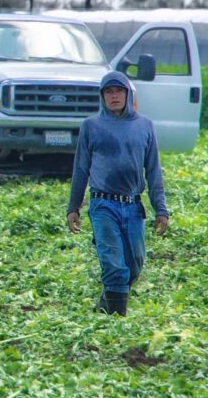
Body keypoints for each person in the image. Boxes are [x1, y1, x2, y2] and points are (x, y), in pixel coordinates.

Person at [66, 71, 169, 316]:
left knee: (134, 265)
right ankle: (115, 323)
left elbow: (153, 170)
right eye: (109, 92)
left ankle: (106, 303)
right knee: (113, 263)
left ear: (128, 94)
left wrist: (161, 209)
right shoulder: (91, 126)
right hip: (103, 204)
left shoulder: (144, 126)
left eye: (119, 91)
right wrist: (73, 207)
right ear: (102, 97)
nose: (114, 96)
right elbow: (81, 169)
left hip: (133, 206)